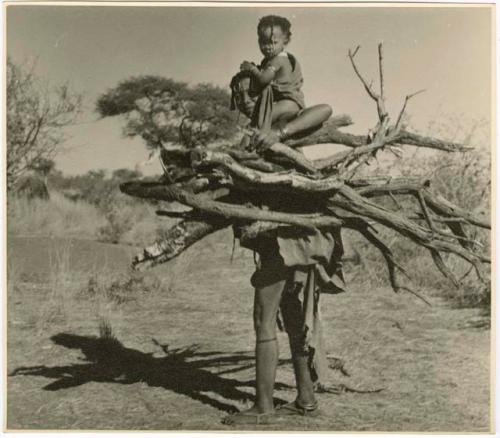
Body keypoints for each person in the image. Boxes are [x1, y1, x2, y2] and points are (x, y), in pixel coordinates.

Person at [222, 71, 346, 426]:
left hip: (286, 237)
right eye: (239, 96)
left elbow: (324, 108)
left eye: (250, 93)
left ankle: (263, 408)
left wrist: (278, 133)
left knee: (264, 317)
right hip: (288, 236)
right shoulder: (249, 137)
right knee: (291, 316)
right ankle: (306, 399)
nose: (245, 100)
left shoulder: (280, 120)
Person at [239, 15, 306, 129]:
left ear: (286, 41)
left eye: (273, 42)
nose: (268, 47)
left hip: (288, 103)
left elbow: (264, 79)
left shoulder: (279, 59)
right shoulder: (271, 60)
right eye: (263, 42)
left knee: (257, 122)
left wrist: (251, 69)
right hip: (284, 104)